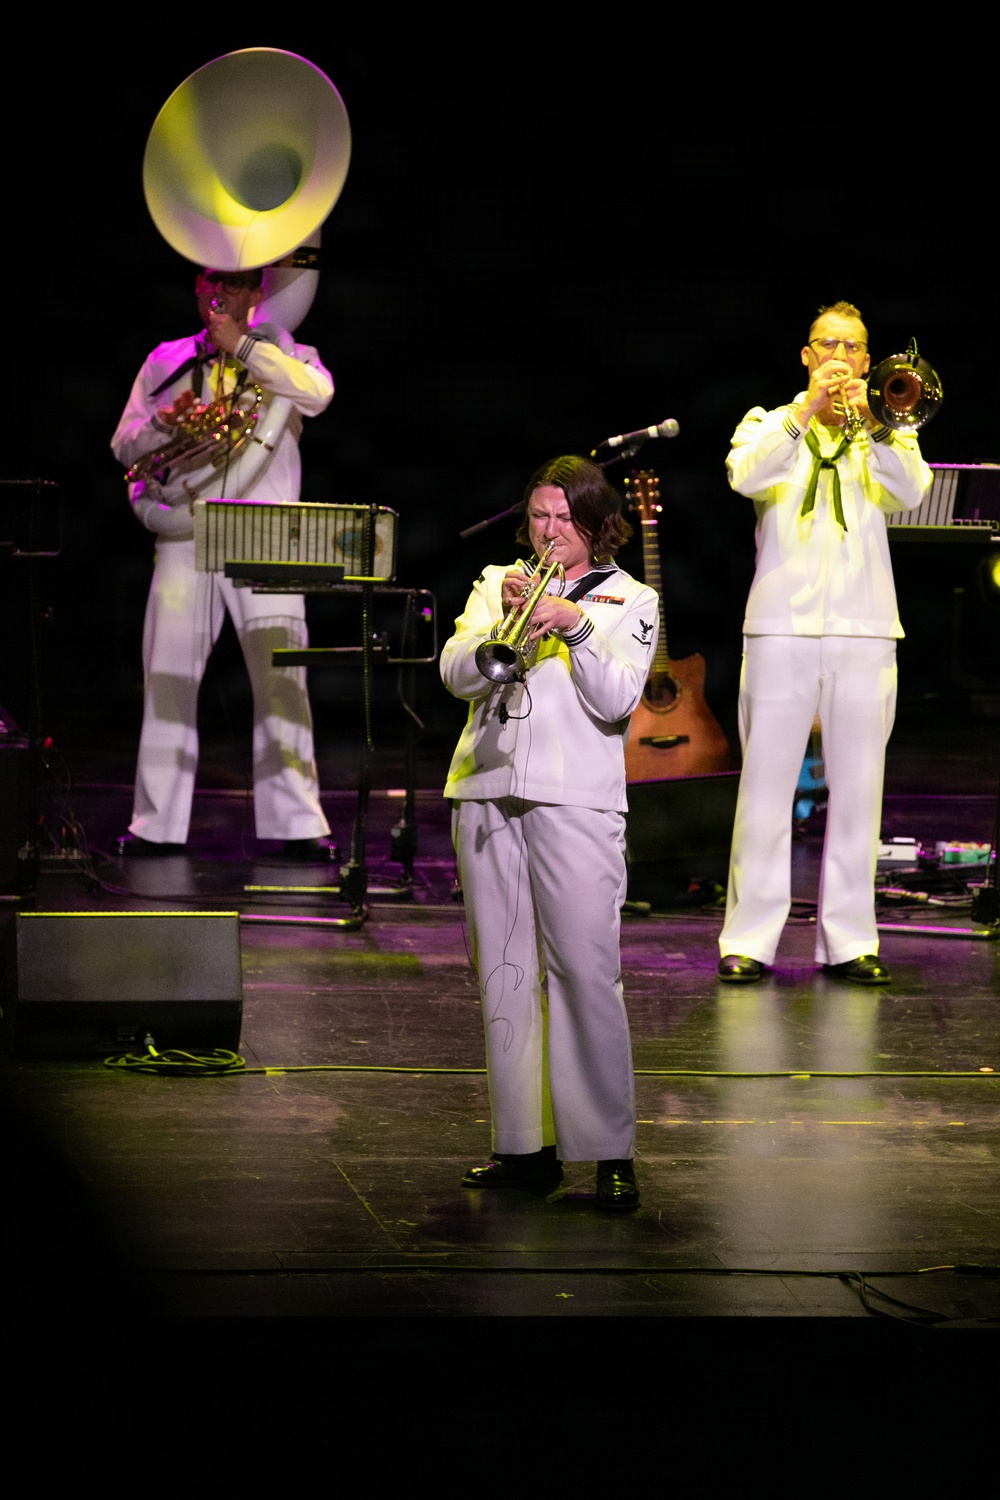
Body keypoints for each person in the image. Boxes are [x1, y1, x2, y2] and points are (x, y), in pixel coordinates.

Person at [440, 455, 659, 1210]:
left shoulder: (631, 599)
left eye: (565, 518)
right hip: (486, 787)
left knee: (585, 972)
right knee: (502, 971)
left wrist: (576, 623)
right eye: (539, 516)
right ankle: (521, 1146)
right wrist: (494, 630)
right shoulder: (495, 581)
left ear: (597, 525)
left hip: (577, 801)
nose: (549, 530)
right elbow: (456, 674)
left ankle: (608, 1152)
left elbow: (618, 697)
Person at [717, 301, 932, 985]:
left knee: (860, 793)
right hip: (779, 626)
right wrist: (807, 411)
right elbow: (747, 476)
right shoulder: (766, 421)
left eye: (852, 346)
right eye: (827, 344)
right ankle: (748, 939)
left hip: (866, 629)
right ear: (808, 356)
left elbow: (911, 493)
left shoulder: (889, 430)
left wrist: (875, 426)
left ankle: (849, 941)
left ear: (869, 360)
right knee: (765, 788)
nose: (840, 355)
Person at [111, 266, 335, 859]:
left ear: (258, 294)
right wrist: (164, 425)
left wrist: (243, 346)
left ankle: (297, 825)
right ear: (196, 286)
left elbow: (318, 396)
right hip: (185, 530)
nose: (220, 294)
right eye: (212, 281)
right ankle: (154, 824)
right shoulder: (166, 360)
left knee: (282, 678)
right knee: (167, 674)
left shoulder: (289, 353)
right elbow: (123, 445)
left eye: (235, 284)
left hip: (264, 535)